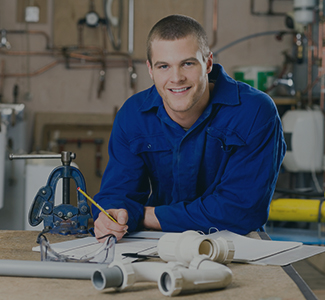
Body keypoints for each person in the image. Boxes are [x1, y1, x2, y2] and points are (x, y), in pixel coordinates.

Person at [93, 14, 286, 241]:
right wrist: (113, 215)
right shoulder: (133, 116)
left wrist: (144, 215)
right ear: (150, 69)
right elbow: (117, 193)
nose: (176, 78)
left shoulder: (254, 112)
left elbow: (240, 211)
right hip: (157, 241)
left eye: (187, 64)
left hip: (236, 241)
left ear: (208, 63)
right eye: (164, 66)